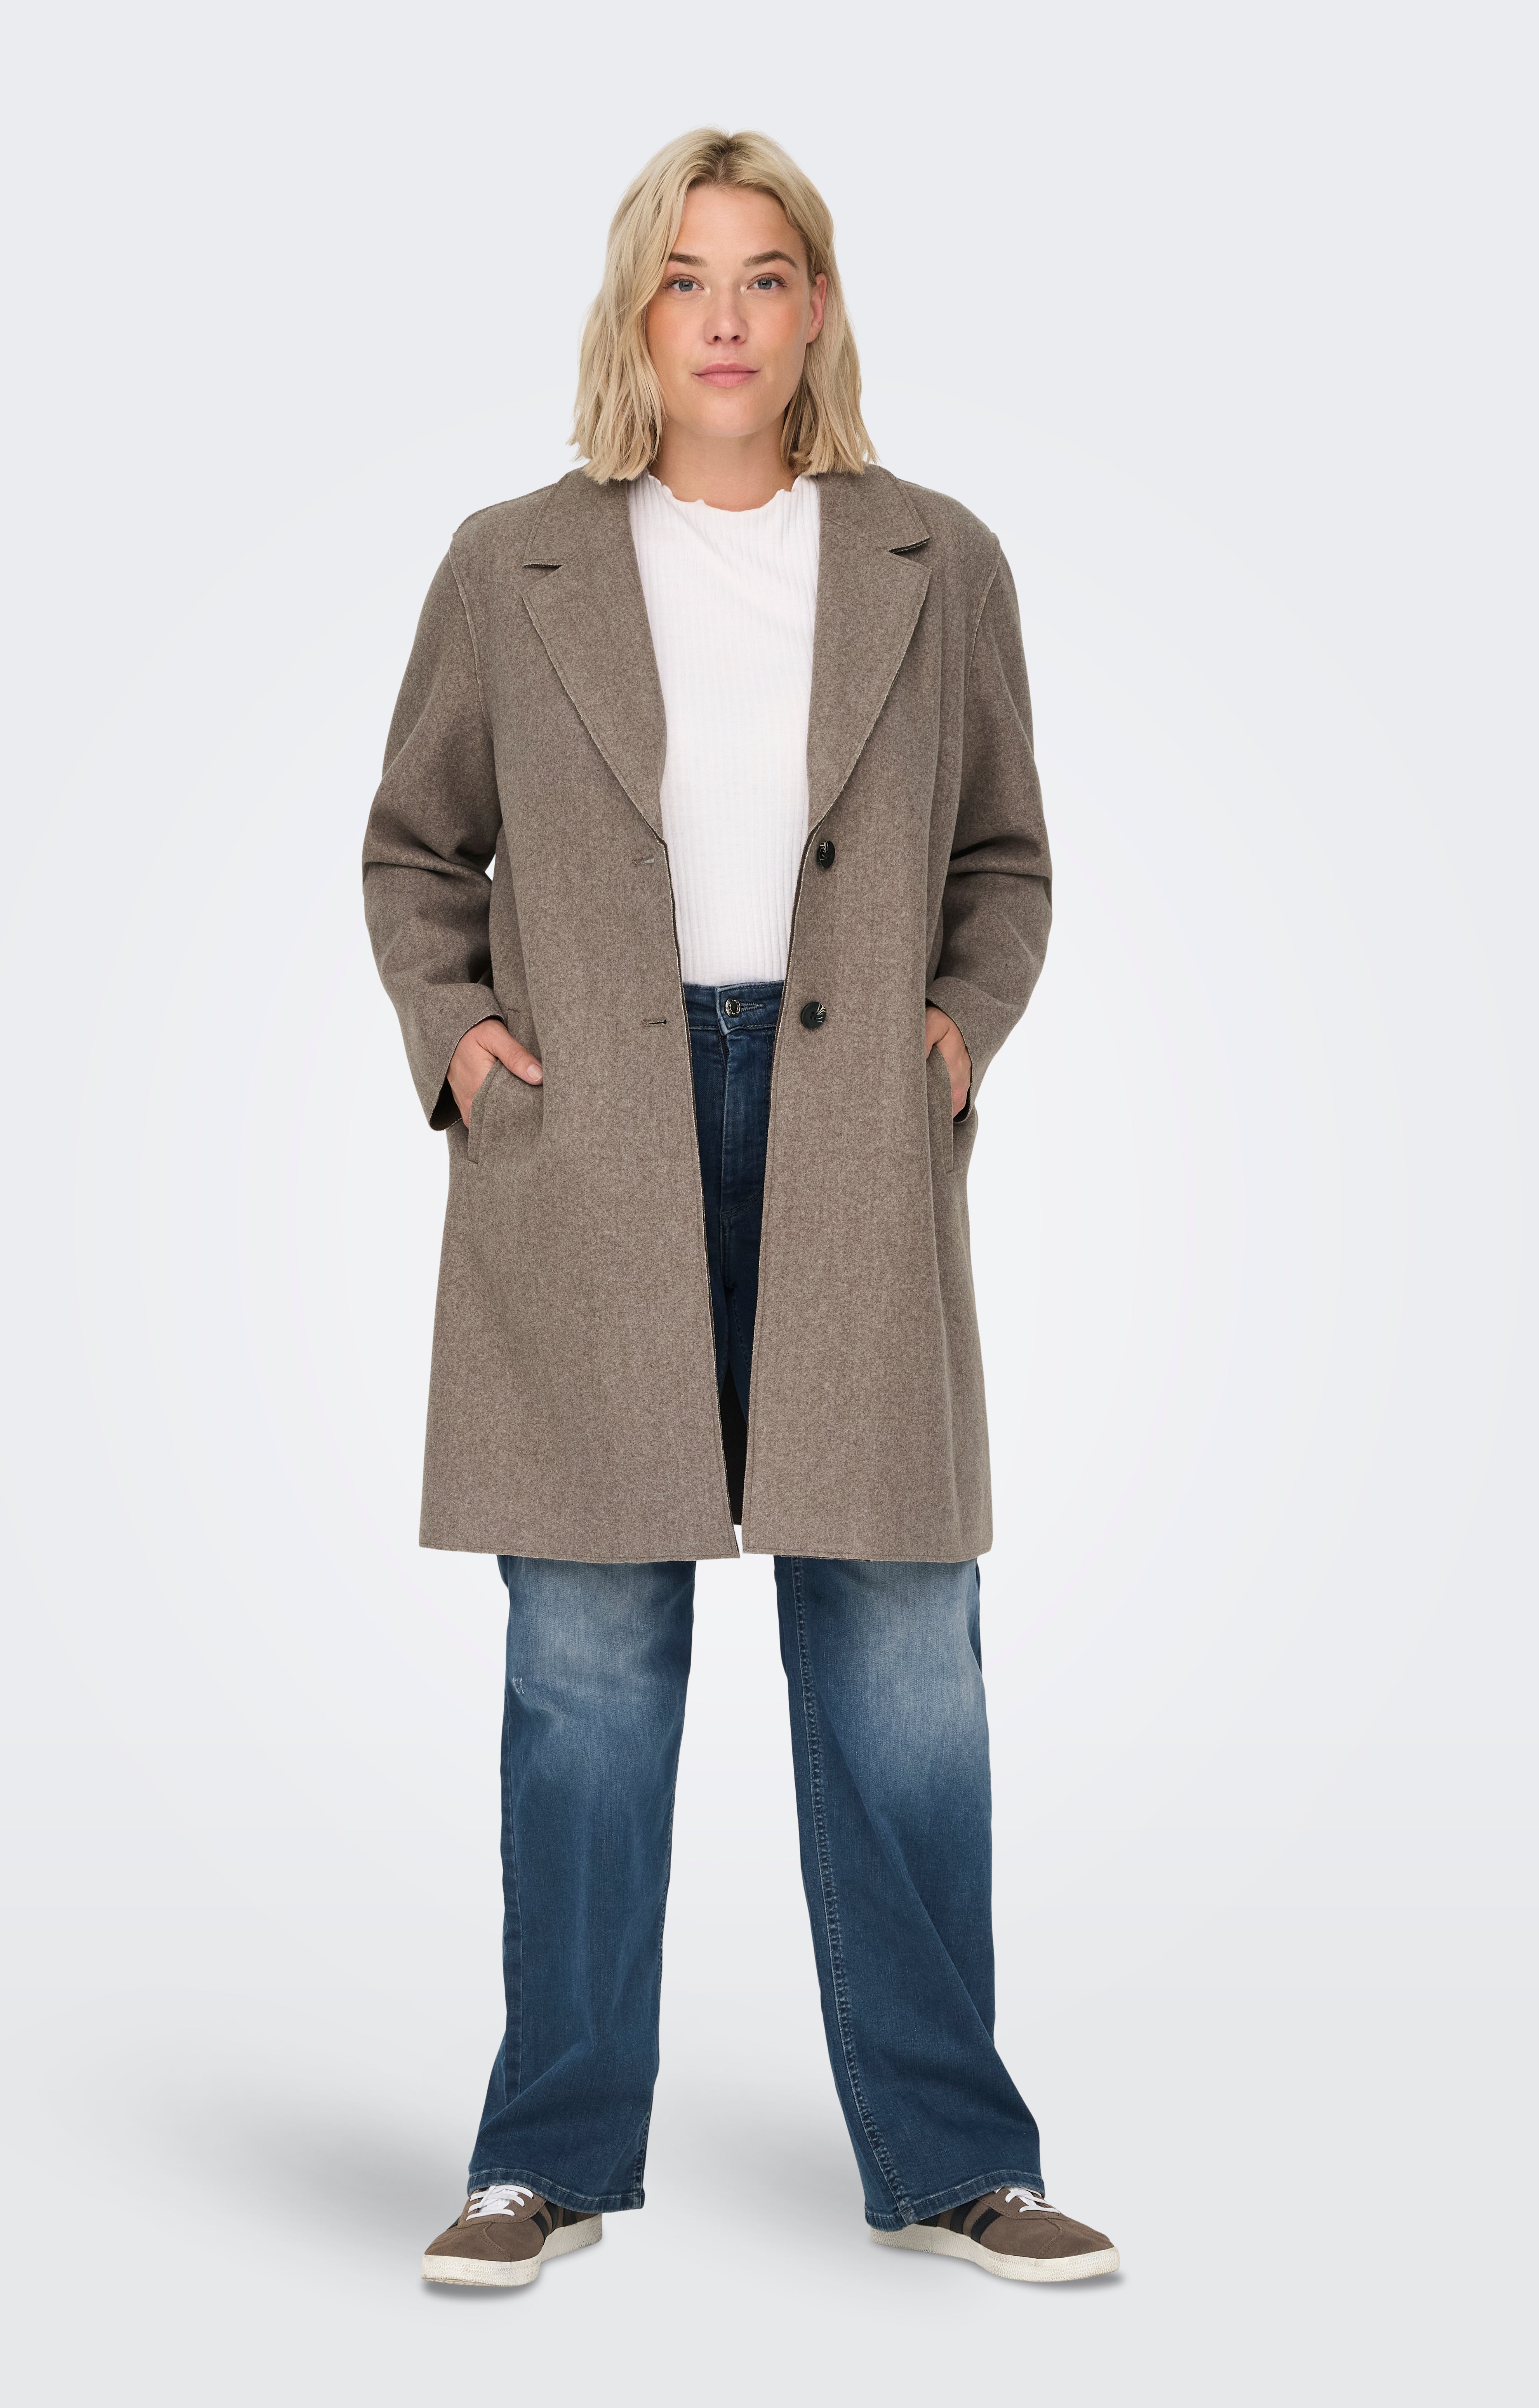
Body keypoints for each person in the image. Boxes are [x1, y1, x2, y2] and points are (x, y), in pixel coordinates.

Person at [362, 127, 1117, 2290]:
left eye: (766, 275)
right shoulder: (513, 561)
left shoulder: (933, 559)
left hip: (852, 1118)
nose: (724, 316)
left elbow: (1005, 855)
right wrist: (460, 1038)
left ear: (817, 310)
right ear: (637, 309)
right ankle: (545, 2156)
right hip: (590, 1128)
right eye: (686, 276)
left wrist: (958, 1032)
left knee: (900, 1650)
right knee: (589, 1663)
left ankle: (956, 2157)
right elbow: (415, 847)